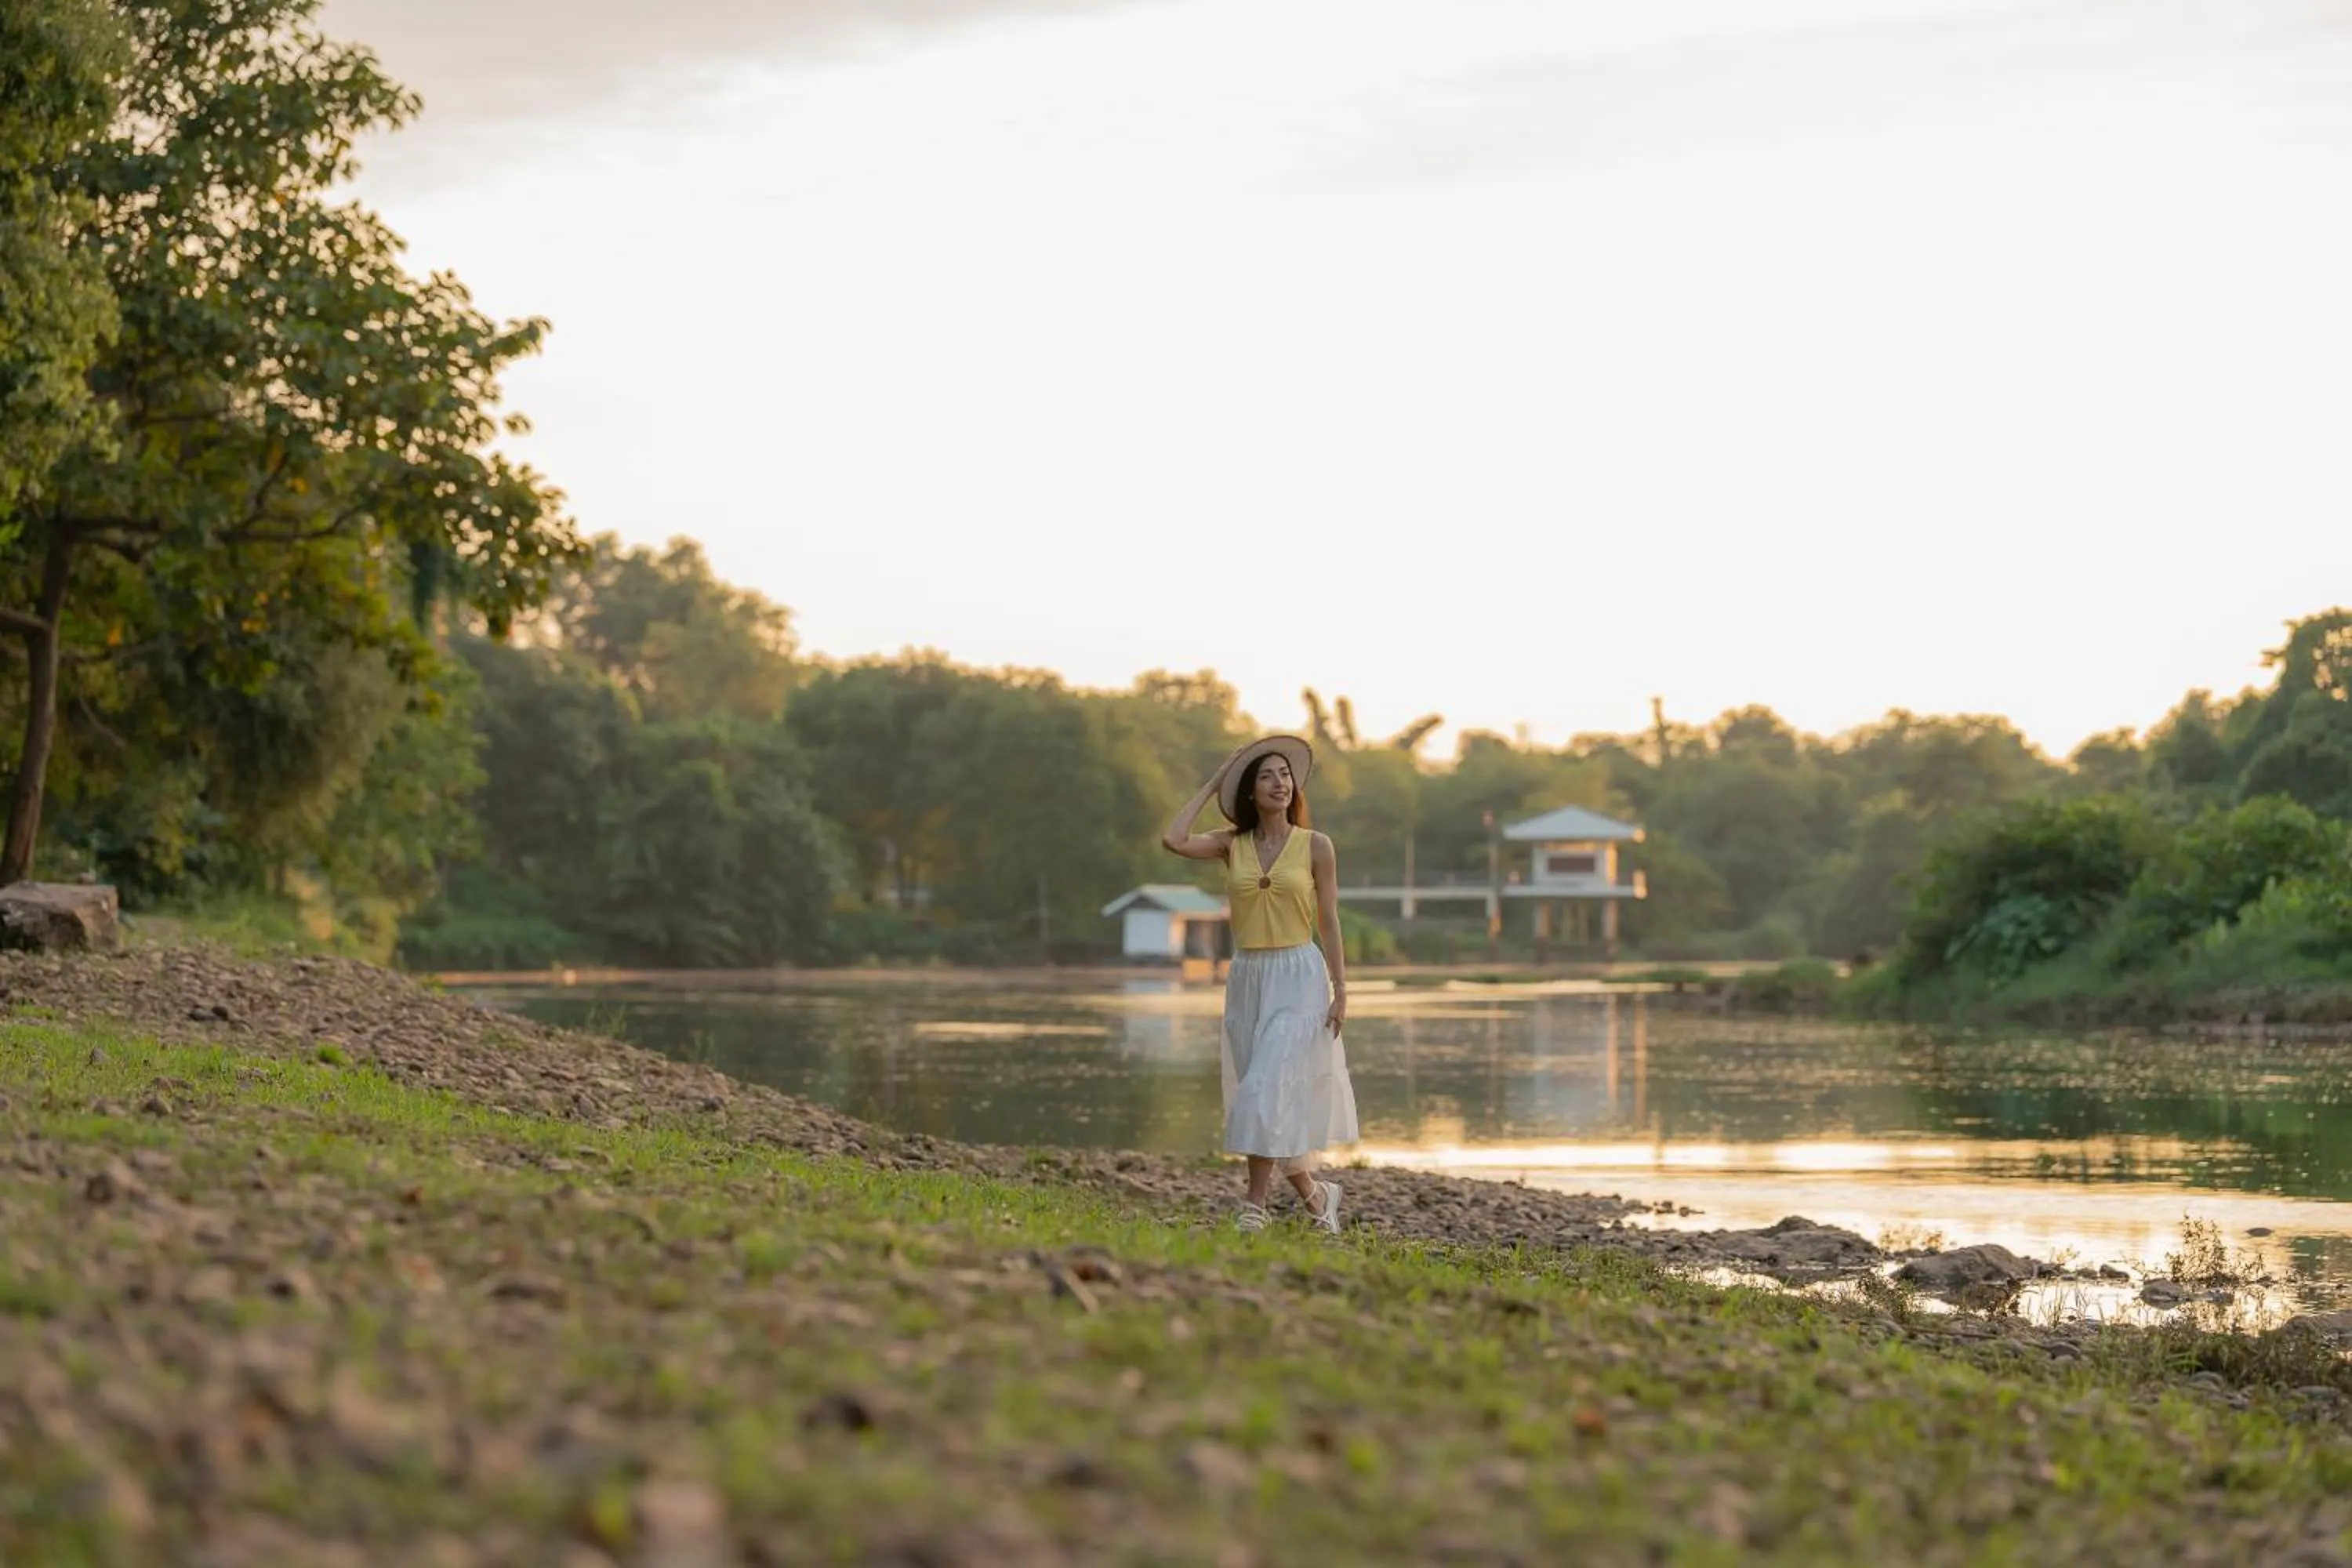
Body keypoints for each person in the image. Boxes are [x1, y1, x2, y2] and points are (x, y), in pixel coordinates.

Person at [1161, 734, 1360, 1233]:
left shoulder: (1316, 846)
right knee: (1268, 1094)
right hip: (1249, 976)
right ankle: (1318, 1197)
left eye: (1286, 775)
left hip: (1299, 975)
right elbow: (1174, 839)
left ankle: (1254, 1207)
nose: (1280, 783)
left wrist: (1342, 991)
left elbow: (1329, 920)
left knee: (1267, 1086)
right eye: (1267, 776)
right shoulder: (1233, 845)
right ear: (1250, 791)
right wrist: (1212, 784)